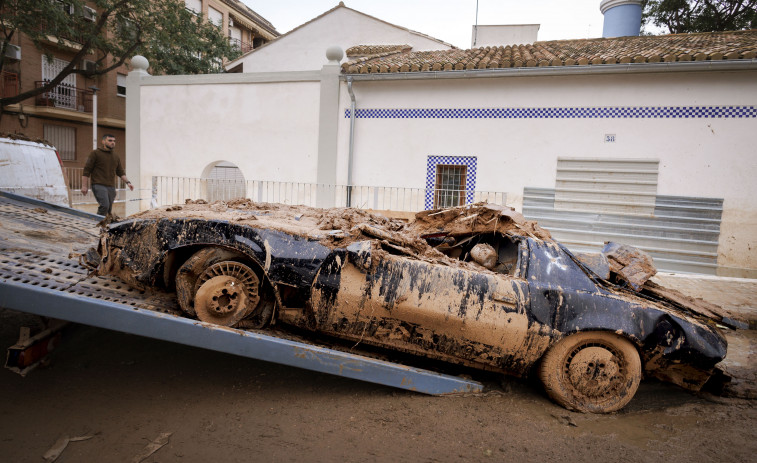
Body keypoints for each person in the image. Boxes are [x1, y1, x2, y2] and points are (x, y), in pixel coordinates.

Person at [81, 134, 134, 216]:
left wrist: (128, 182)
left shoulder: (116, 156)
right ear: (103, 141)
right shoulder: (95, 153)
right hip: (98, 185)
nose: (113, 142)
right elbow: (87, 170)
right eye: (110, 140)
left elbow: (120, 171)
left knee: (109, 209)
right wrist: (84, 186)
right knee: (104, 206)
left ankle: (105, 226)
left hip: (111, 186)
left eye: (114, 141)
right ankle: (97, 223)